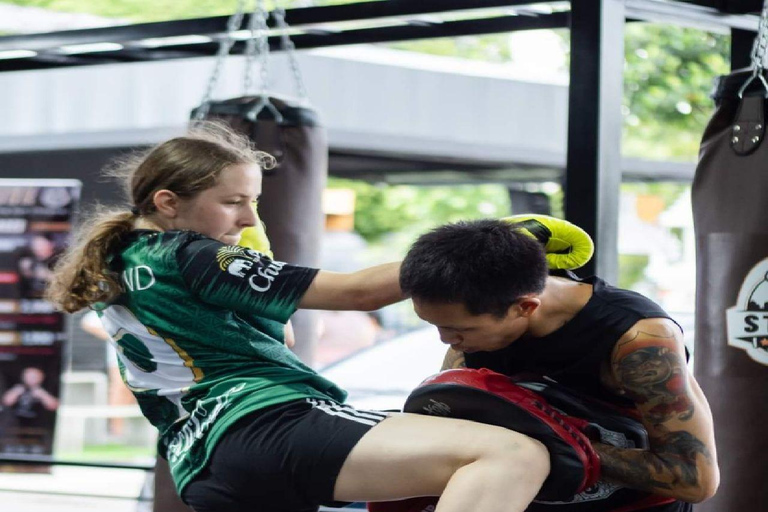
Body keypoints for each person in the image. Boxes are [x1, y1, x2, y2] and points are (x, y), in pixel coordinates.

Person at [45, 122, 550, 512]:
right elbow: (359, 292)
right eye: (233, 203)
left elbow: (279, 335)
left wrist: (253, 268)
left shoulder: (120, 259)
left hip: (204, 465)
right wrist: (488, 244)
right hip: (266, 423)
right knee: (513, 455)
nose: (247, 219)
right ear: (168, 202)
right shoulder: (190, 255)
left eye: (255, 203)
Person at [399, 219, 720, 511]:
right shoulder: (474, 328)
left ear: (524, 307)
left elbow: (695, 477)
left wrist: (553, 438)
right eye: (434, 325)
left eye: (461, 330)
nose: (447, 340)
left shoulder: (636, 338)